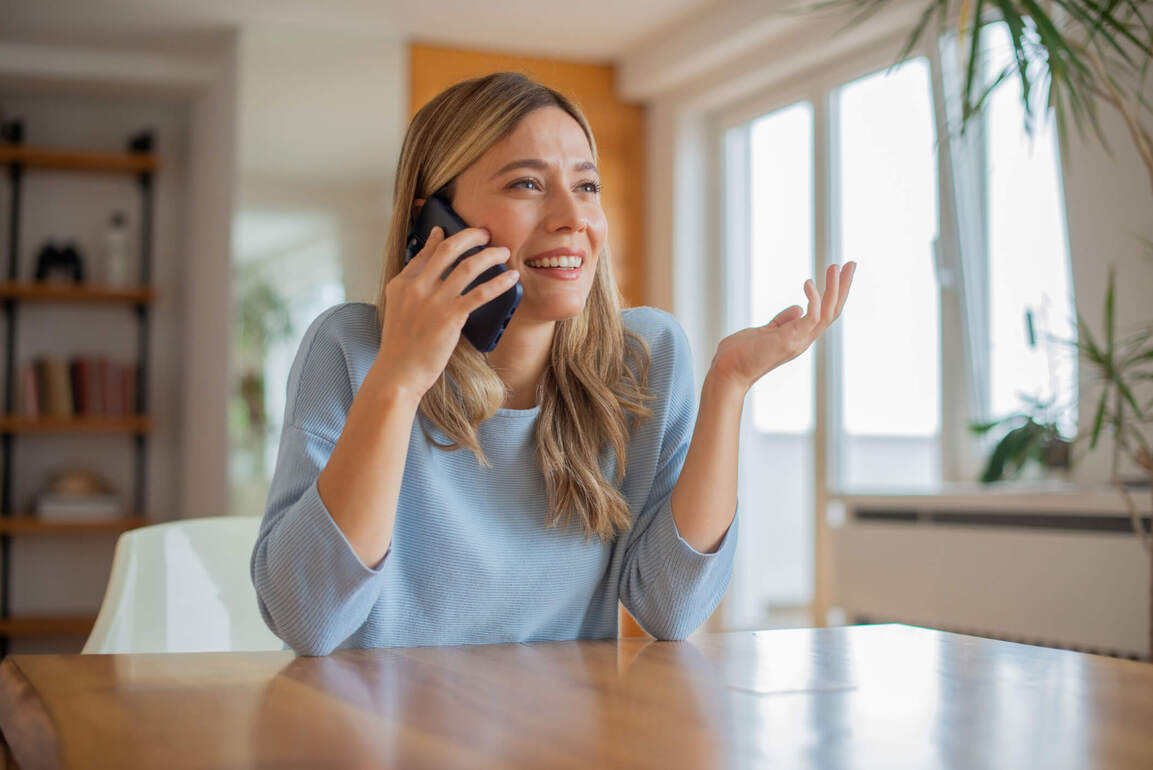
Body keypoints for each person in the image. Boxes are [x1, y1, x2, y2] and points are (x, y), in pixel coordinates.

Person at [251, 72, 855, 656]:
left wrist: (730, 383)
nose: (573, 217)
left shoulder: (645, 359)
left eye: (587, 186)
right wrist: (400, 380)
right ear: (433, 222)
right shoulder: (353, 351)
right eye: (527, 185)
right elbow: (310, 621)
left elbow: (671, 610)